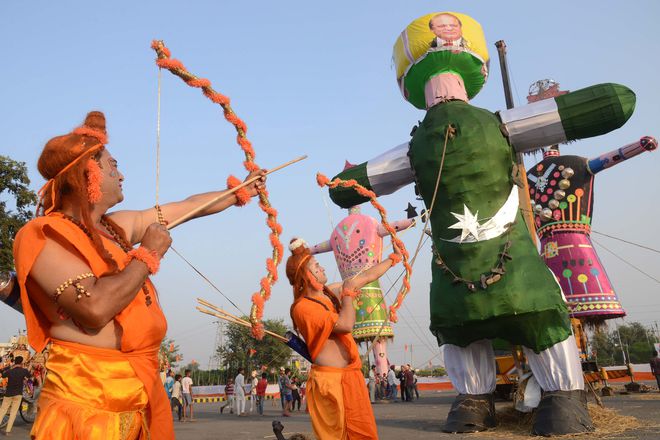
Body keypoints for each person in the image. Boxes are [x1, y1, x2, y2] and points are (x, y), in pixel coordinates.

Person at [12, 111, 265, 439]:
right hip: (88, 402)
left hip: (138, 393)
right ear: (88, 173)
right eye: (112, 165)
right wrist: (146, 255)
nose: (122, 175)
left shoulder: (116, 226)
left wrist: (239, 192)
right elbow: (94, 309)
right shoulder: (42, 234)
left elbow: (186, 207)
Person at [287, 237, 402, 439]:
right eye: (316, 266)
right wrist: (348, 294)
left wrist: (393, 258)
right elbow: (345, 324)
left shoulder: (329, 294)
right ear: (306, 275)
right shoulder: (303, 308)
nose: (321, 267)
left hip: (351, 378)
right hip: (329, 382)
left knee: (362, 434)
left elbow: (365, 277)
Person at [0, 356, 30, 435]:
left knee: (2, 411)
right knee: (13, 413)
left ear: (14, 362)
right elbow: (29, 376)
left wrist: (9, 367)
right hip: (18, 394)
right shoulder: (24, 371)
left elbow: (2, 374)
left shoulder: (10, 371)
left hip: (8, 393)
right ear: (21, 362)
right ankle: (7, 431)